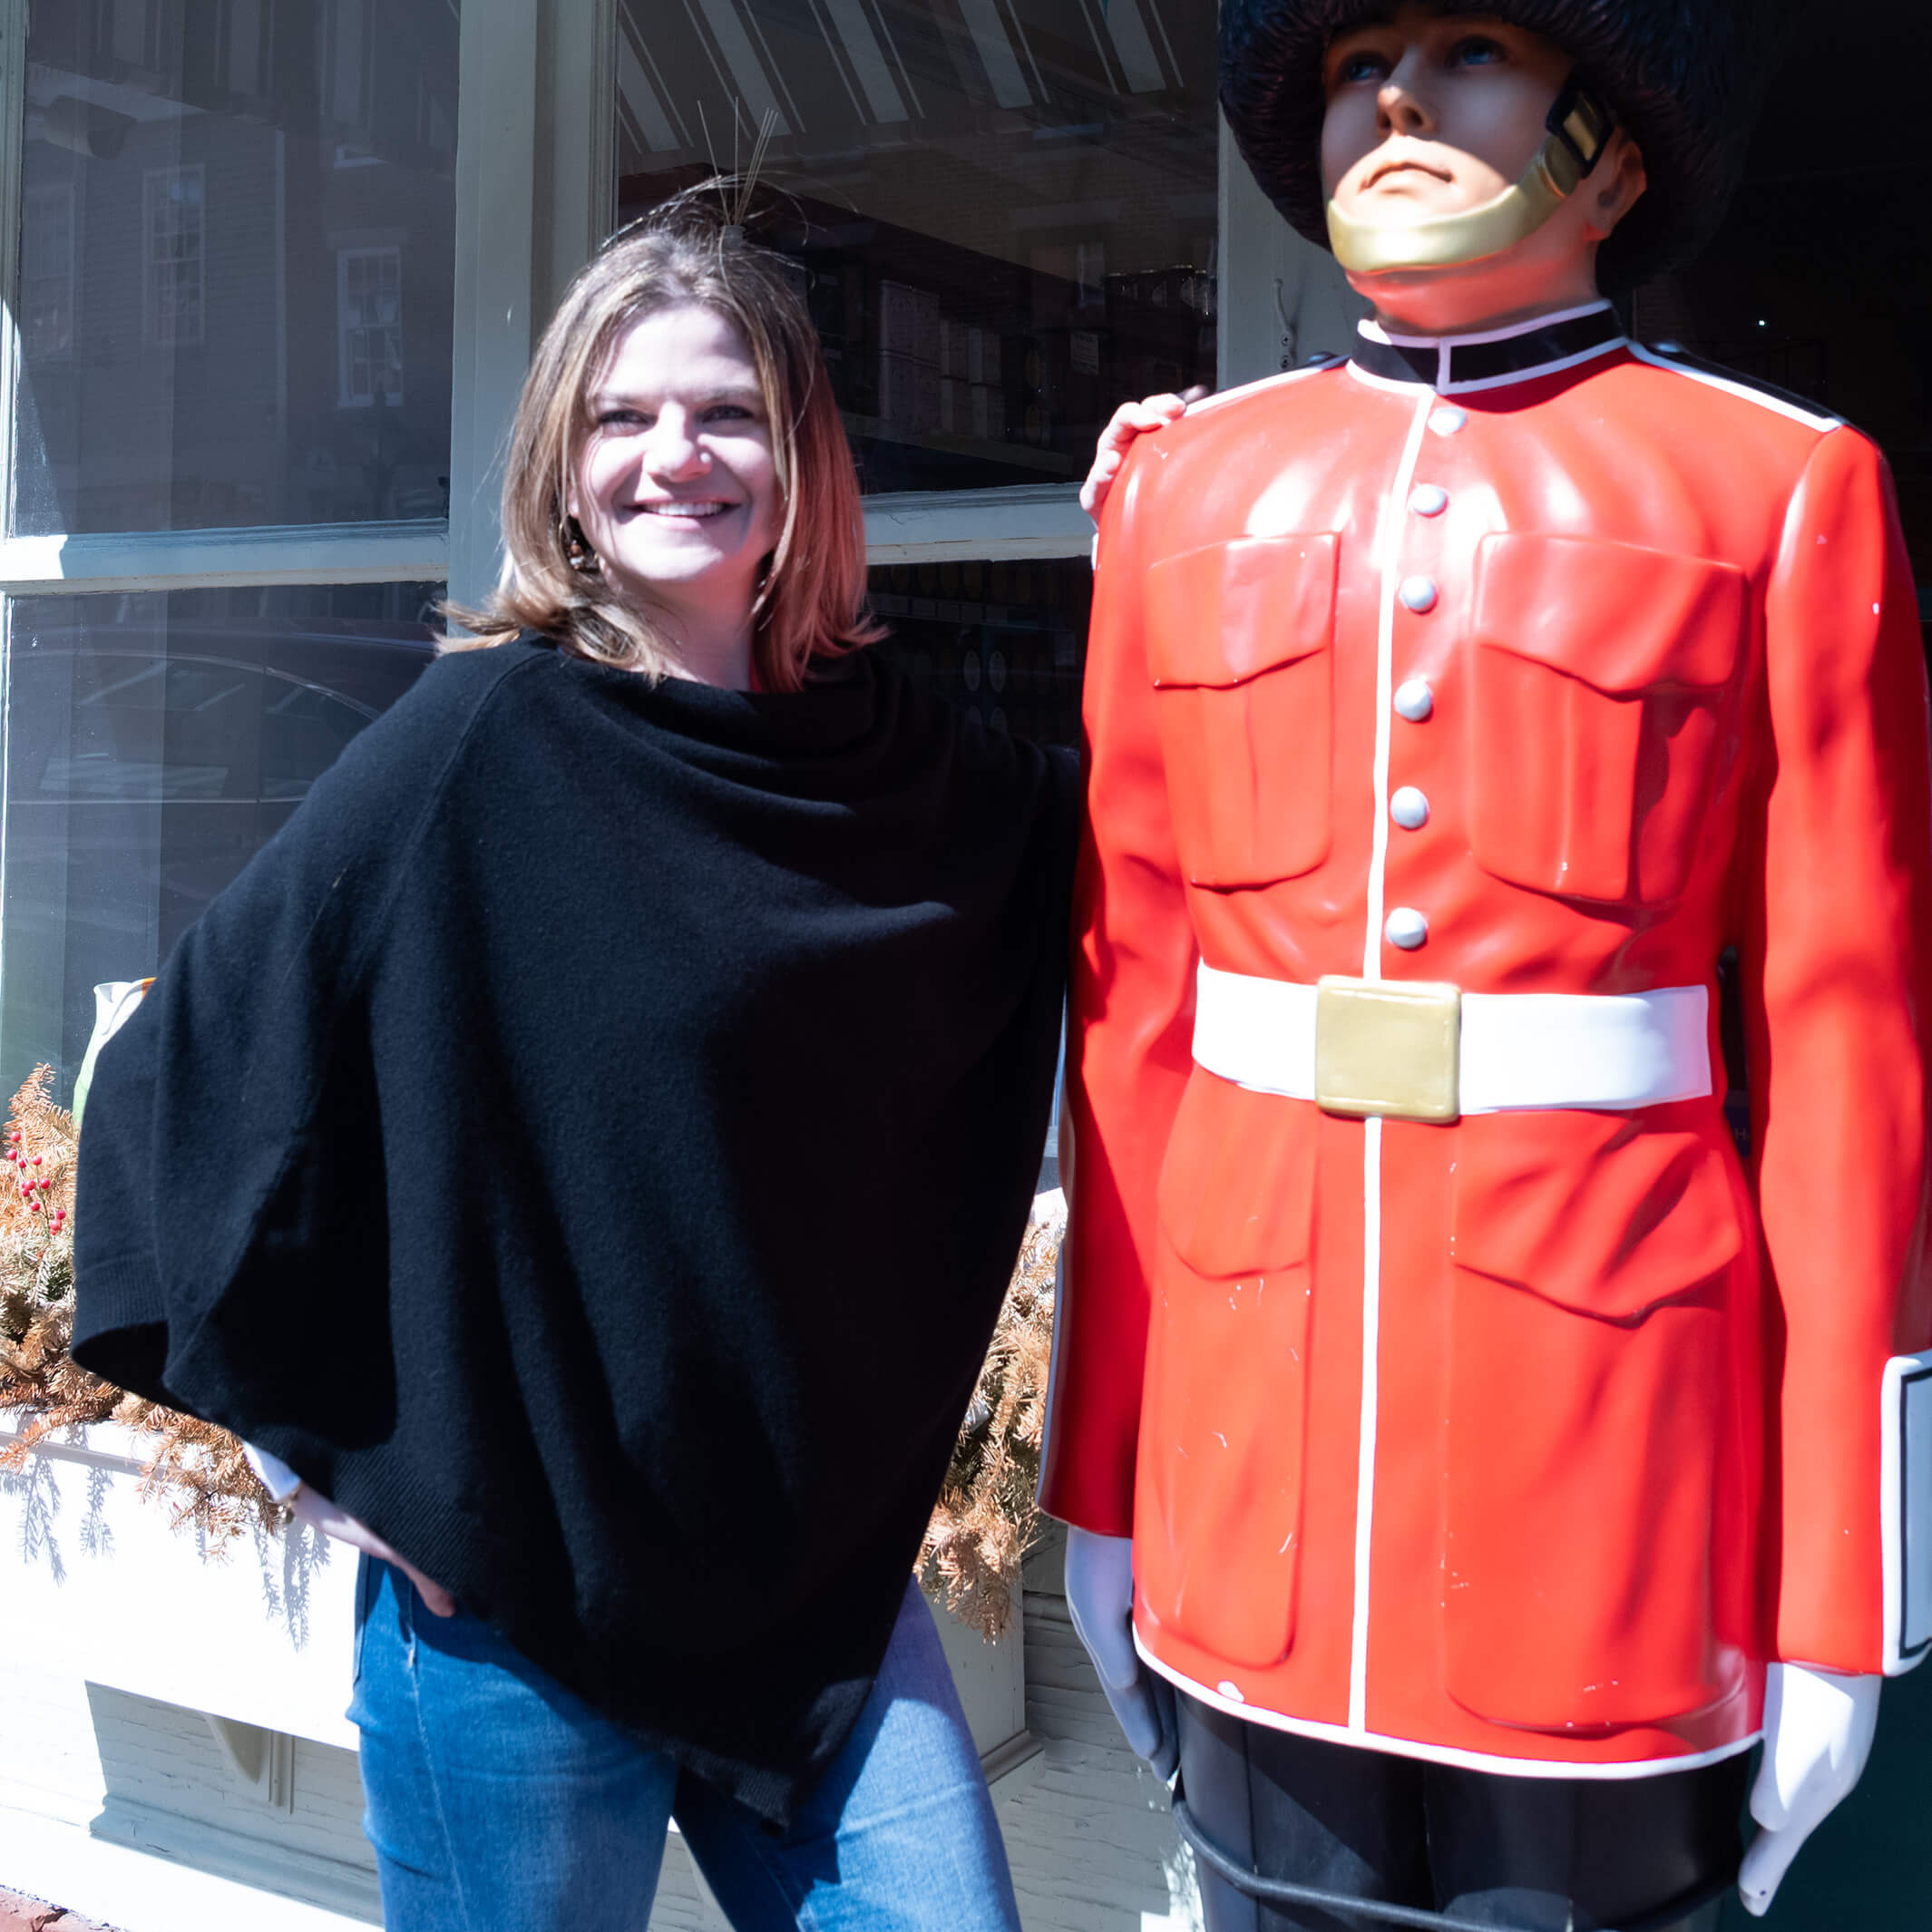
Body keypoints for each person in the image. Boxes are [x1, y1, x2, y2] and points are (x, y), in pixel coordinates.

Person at [70, 193, 1076, 1932]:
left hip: (813, 1595)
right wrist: (331, 1471)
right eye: (622, 415)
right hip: (510, 1604)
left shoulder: (906, 776)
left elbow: (1154, 866)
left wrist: (1214, 495)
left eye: (726, 411)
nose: (674, 457)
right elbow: (182, 1077)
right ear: (562, 456)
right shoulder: (482, 741)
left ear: (801, 456)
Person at [1047, 5, 1932, 1929]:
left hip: (1613, 1502)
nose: (1392, 98)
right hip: (1245, 1474)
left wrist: (1845, 1601)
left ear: (1611, 149)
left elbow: (1848, 1079)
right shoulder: (1188, 494)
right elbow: (1134, 1034)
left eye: (1466, 49)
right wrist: (1097, 1493)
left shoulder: (1776, 492)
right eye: (1363, 56)